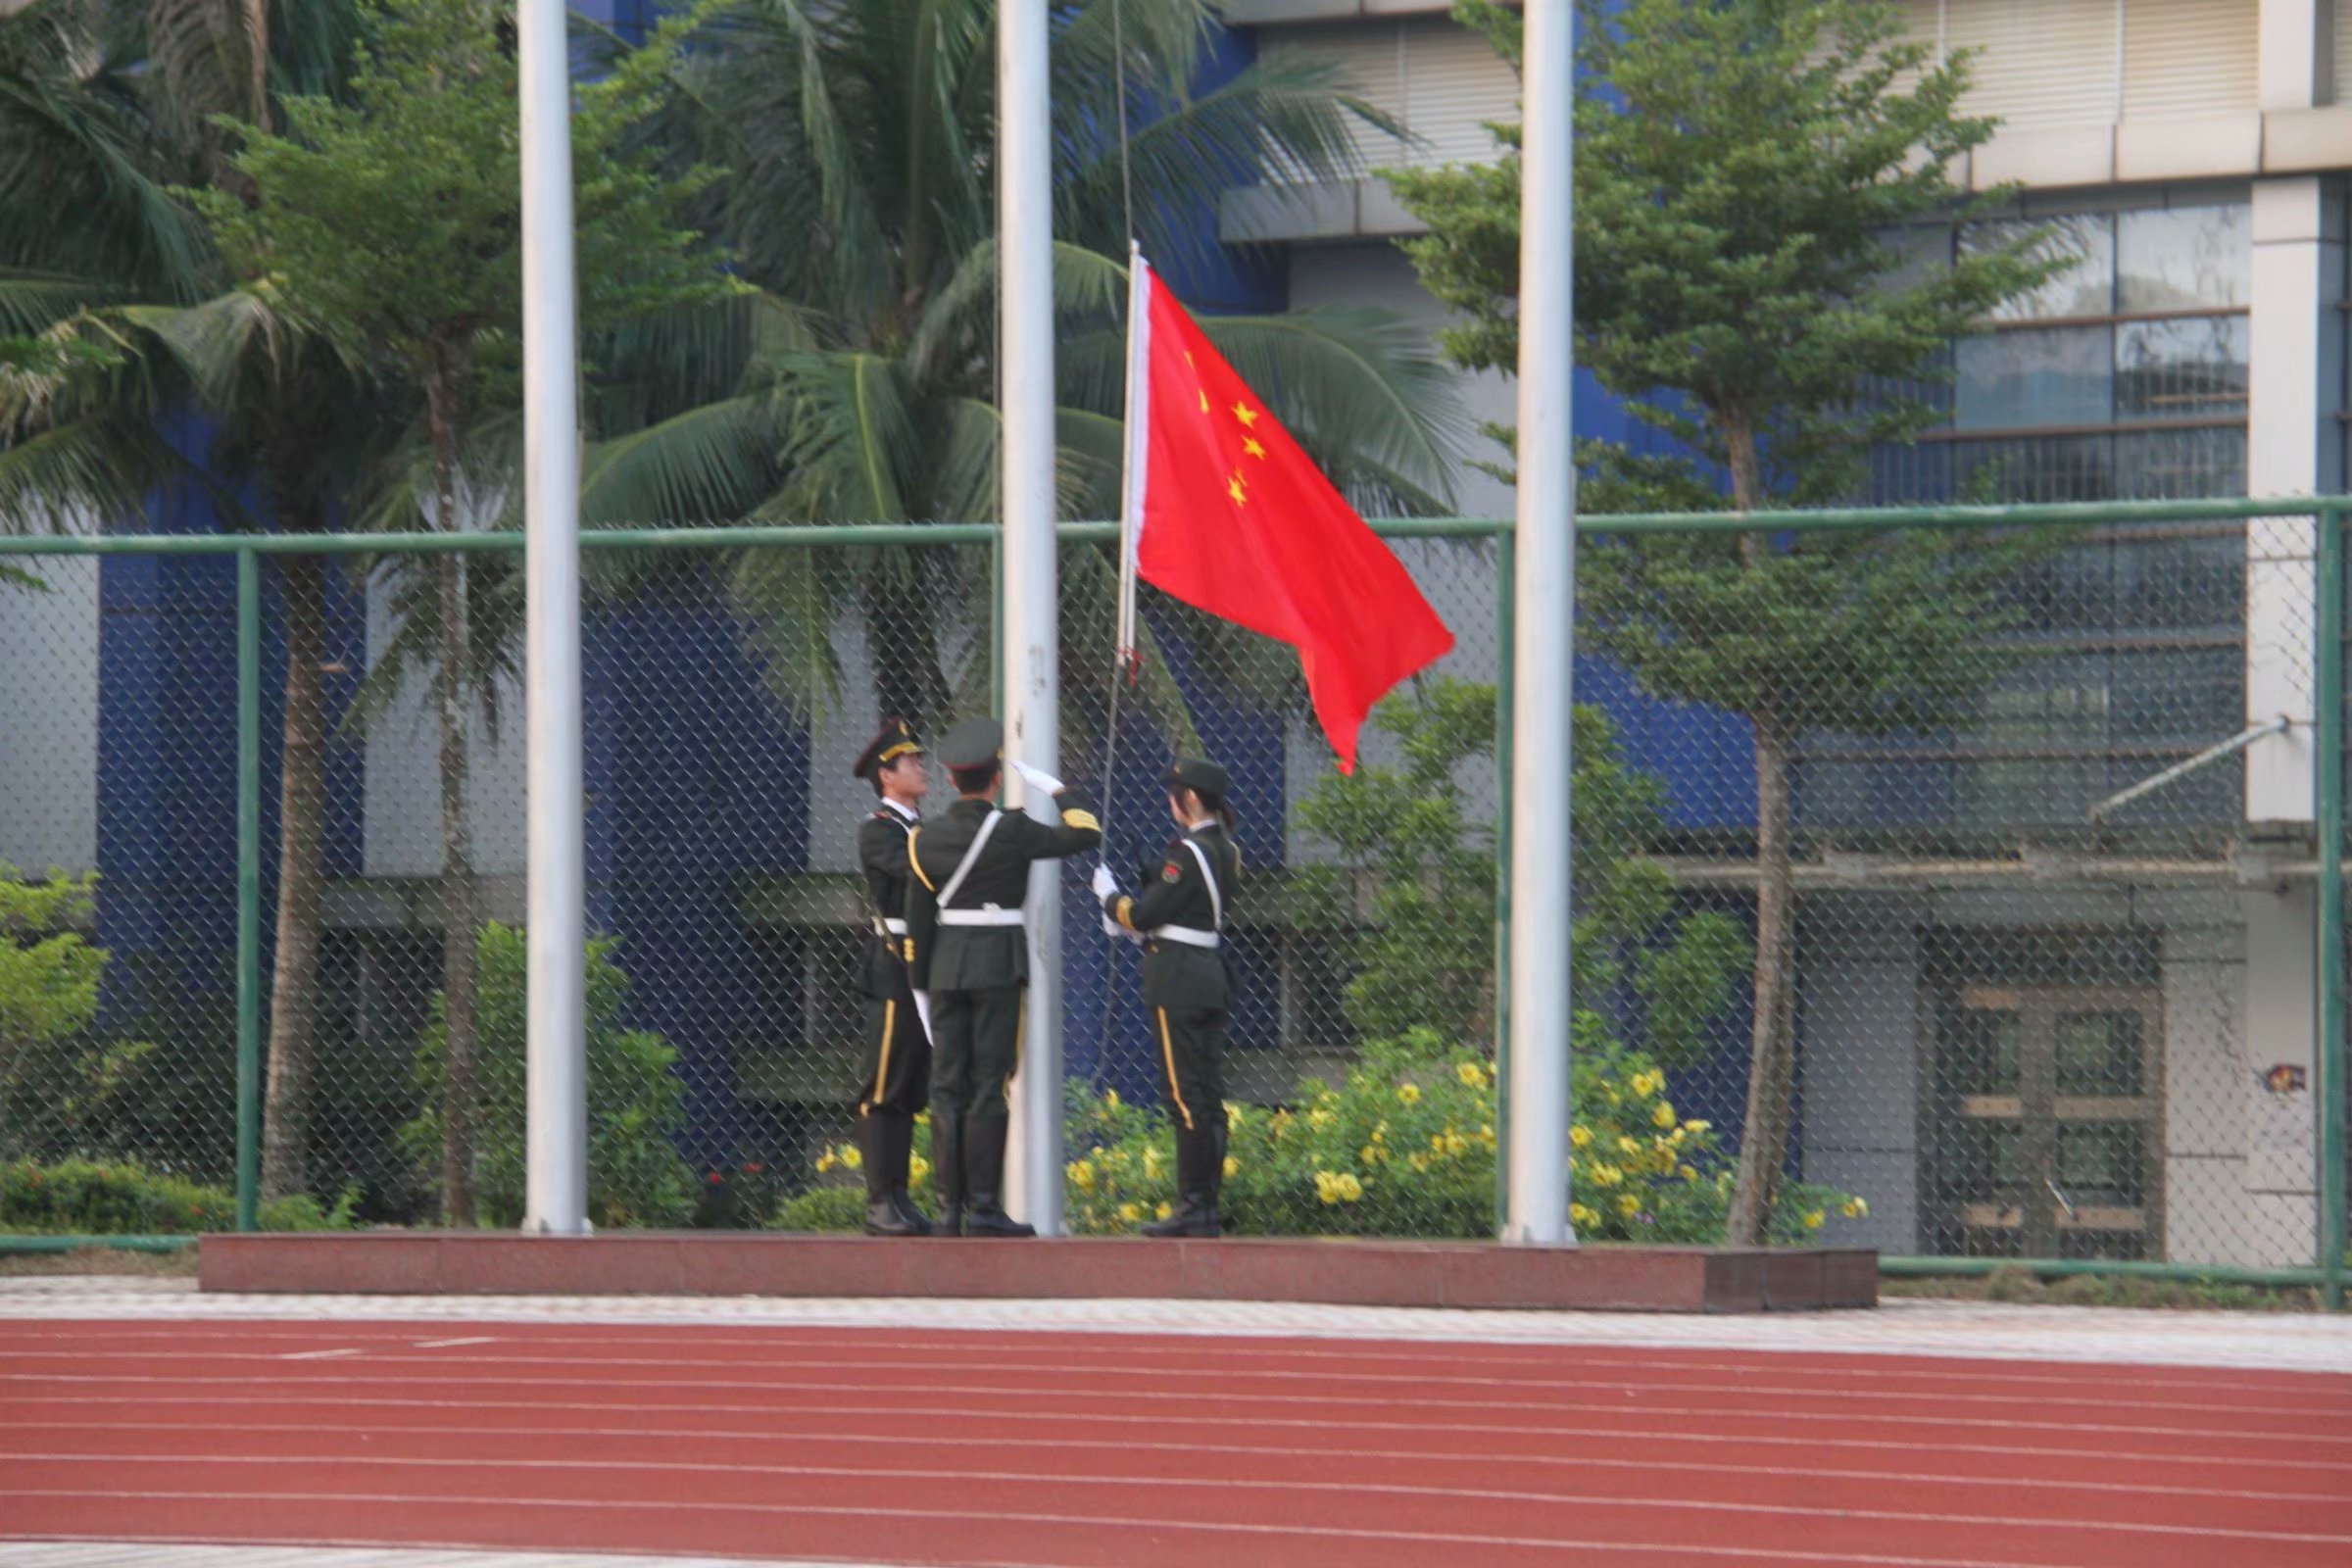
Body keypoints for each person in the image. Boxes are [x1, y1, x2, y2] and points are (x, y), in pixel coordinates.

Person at [905, 717, 1101, 1237]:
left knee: (946, 1086)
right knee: (990, 1084)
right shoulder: (1013, 829)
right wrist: (1055, 788)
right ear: (995, 779)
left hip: (945, 967)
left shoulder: (925, 838)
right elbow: (1086, 832)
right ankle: (985, 1209)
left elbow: (919, 919)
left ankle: (948, 1210)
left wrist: (920, 982)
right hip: (998, 965)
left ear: (950, 780)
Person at [1094, 758, 1240, 1238]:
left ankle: (1193, 1208)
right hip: (1206, 975)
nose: (1169, 800)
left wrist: (1110, 897)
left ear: (1190, 799)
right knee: (1207, 1096)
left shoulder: (1188, 852)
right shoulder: (1225, 849)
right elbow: (1187, 906)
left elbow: (1144, 913)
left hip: (1177, 978)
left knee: (1184, 1097)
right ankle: (1206, 1205)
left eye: (1175, 793)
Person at [849, 716, 934, 1238]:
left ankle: (899, 1196)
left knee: (908, 1088)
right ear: (887, 775)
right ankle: (880, 1200)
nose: (921, 768)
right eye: (910, 761)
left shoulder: (920, 829)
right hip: (895, 965)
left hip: (924, 965)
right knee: (882, 1087)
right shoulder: (879, 830)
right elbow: (923, 869)